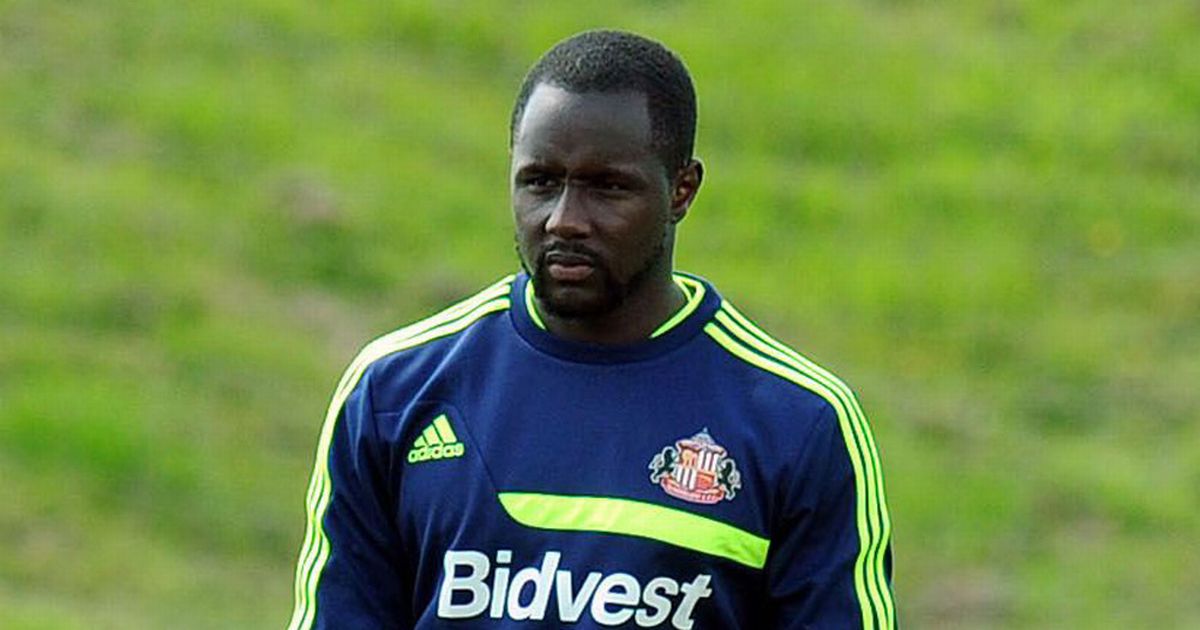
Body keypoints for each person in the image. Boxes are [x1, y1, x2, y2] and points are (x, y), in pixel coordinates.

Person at [287, 29, 895, 629]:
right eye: (541, 182)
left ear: (681, 190)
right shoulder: (395, 393)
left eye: (607, 187)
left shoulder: (798, 422)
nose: (564, 220)